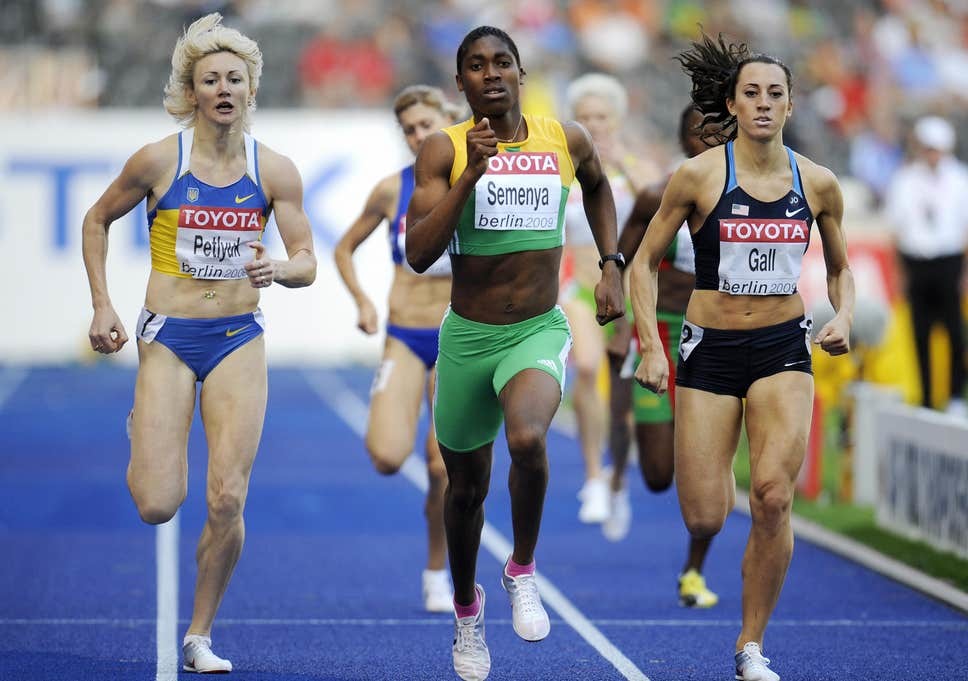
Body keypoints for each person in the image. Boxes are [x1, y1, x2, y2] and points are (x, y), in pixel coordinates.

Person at [81, 13, 316, 673]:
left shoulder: (275, 170)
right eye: (210, 79)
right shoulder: (159, 160)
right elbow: (96, 219)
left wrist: (280, 270)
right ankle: (146, 425)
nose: (223, 89)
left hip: (239, 336)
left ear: (250, 89)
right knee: (158, 503)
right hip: (169, 335)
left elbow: (307, 260)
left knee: (227, 496)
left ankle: (200, 634)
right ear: (191, 91)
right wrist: (101, 304)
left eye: (234, 79)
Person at [629, 33, 854, 681]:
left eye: (774, 93)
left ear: (790, 105)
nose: (762, 103)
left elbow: (840, 269)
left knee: (773, 497)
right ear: (731, 103)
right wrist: (651, 346)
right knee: (704, 513)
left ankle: (750, 644)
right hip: (709, 348)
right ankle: (717, 475)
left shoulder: (818, 183)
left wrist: (841, 315)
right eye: (750, 92)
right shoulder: (699, 176)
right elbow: (644, 264)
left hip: (783, 348)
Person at [405, 26, 625, 681]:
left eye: (502, 62)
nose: (491, 73)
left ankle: (522, 568)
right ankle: (467, 611)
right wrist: (470, 175)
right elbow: (418, 252)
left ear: (521, 73)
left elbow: (599, 187)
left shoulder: (564, 138)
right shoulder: (443, 150)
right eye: (476, 65)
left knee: (528, 438)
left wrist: (611, 263)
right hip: (468, 337)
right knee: (465, 490)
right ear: (461, 83)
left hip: (536, 328)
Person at [333, 84, 463, 612]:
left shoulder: (474, 182)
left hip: (458, 337)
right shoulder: (392, 190)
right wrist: (363, 301)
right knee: (387, 456)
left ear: (448, 120)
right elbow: (344, 248)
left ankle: (437, 571)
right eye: (409, 130)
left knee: (441, 468)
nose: (417, 136)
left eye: (426, 125)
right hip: (405, 335)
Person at [604, 104, 720, 609]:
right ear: (682, 139)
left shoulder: (753, 195)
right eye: (698, 132)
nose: (708, 141)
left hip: (720, 340)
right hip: (665, 334)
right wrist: (622, 326)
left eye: (718, 132)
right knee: (657, 475)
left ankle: (694, 570)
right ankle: (624, 459)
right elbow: (619, 262)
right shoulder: (659, 195)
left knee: (706, 465)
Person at [560, 73, 651, 524]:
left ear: (616, 120)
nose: (594, 124)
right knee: (587, 367)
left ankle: (617, 480)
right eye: (585, 117)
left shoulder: (635, 167)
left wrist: (622, 165)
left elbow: (662, 204)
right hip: (581, 289)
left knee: (624, 397)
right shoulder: (564, 170)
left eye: (601, 116)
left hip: (631, 294)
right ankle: (593, 476)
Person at [884, 115, 968, 415]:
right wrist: (900, 272)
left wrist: (964, 273)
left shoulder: (959, 179)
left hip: (948, 261)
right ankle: (927, 397)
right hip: (917, 262)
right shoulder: (905, 180)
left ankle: (955, 394)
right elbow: (896, 230)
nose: (932, 155)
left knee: (954, 331)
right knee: (920, 332)